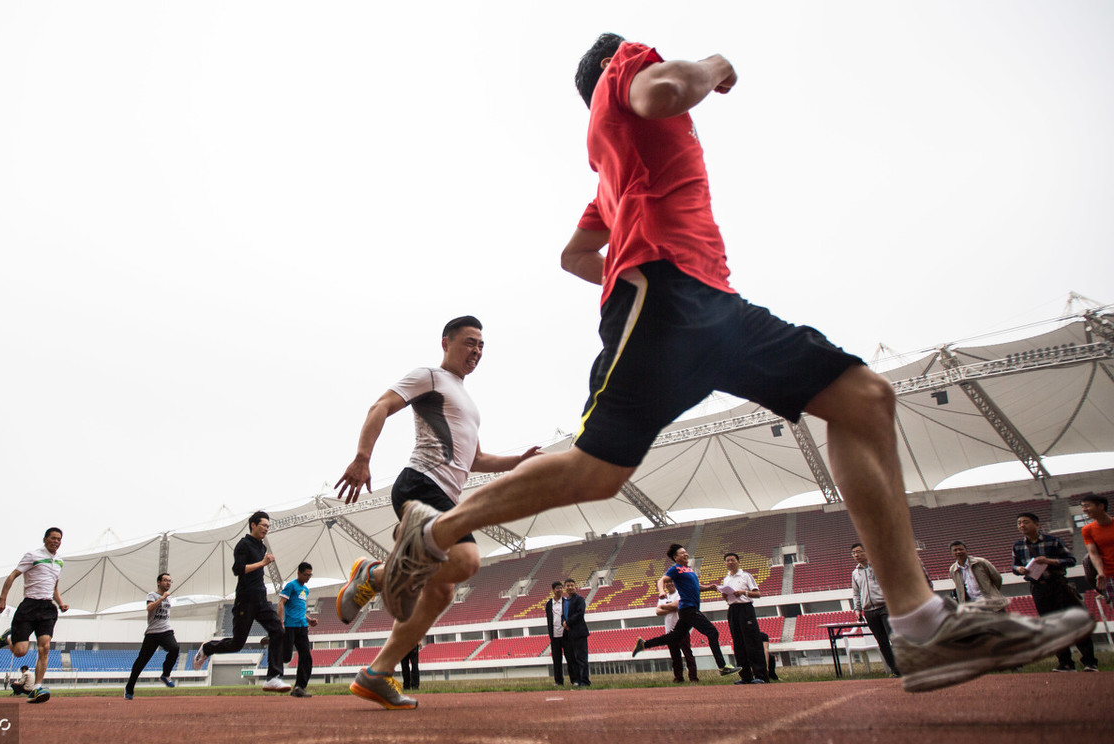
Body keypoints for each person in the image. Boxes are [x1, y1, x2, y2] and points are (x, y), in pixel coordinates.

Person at [378, 32, 1095, 695]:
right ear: (614, 70)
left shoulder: (611, 174)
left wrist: (627, 267)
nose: (648, 68)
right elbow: (665, 90)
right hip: (673, 294)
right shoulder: (625, 71)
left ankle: (920, 626)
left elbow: (573, 257)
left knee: (846, 404)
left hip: (698, 303)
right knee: (827, 406)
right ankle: (432, 533)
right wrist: (716, 66)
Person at [332, 316, 541, 710]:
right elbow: (381, 405)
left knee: (441, 590)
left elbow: (475, 459)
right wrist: (362, 456)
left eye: (481, 346)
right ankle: (374, 575)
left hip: (444, 494)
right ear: (446, 342)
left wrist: (518, 461)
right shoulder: (429, 376)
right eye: (469, 343)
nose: (476, 351)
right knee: (466, 560)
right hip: (420, 483)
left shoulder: (469, 403)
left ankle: (376, 674)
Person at [191, 511, 291, 692]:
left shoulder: (261, 547)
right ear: (253, 525)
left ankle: (273, 678)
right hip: (245, 600)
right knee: (237, 644)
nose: (266, 529)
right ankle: (207, 648)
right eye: (263, 525)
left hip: (261, 598)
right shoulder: (243, 545)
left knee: (277, 629)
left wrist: (262, 562)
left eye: (268, 526)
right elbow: (238, 569)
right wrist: (262, 563)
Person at [632, 544, 739, 678]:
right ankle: (723, 666)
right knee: (712, 632)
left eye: (686, 552)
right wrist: (661, 591)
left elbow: (695, 587)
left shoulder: (688, 569)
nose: (686, 554)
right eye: (682, 553)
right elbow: (662, 580)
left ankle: (644, 644)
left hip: (689, 609)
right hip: (688, 608)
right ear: (676, 557)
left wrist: (708, 588)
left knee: (674, 637)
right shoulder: (675, 569)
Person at [0, 527, 69, 704]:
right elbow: (13, 575)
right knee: (20, 652)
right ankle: (7, 639)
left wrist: (60, 602)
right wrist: (2, 598)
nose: (56, 542)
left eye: (59, 539)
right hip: (29, 606)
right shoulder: (32, 556)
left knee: (45, 647)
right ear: (45, 539)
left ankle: (37, 687)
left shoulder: (60, 562)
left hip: (48, 607)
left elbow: (54, 587)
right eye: (53, 538)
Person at [1011, 512, 1098, 672]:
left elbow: (1071, 560)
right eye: (1019, 523)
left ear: (1037, 524)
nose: (1022, 525)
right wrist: (1019, 569)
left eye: (1025, 522)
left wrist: (1049, 561)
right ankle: (1065, 663)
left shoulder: (1053, 541)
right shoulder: (1018, 545)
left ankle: (1089, 661)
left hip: (1059, 585)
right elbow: (1014, 566)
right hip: (1038, 588)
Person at [124, 572, 181, 700]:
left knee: (175, 648)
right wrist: (161, 598)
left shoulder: (169, 598)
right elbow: (149, 608)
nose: (168, 583)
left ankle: (165, 675)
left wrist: (165, 597)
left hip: (166, 630)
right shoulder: (152, 595)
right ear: (159, 582)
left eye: (170, 581)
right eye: (165, 580)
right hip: (152, 633)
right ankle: (129, 689)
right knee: (141, 662)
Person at [850, 543, 900, 677]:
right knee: (882, 642)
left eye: (859, 551)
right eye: (854, 553)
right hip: (869, 611)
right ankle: (895, 670)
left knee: (894, 638)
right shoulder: (855, 573)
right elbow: (856, 593)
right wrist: (857, 609)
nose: (856, 555)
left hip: (885, 607)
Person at [721, 553, 769, 684]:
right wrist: (725, 596)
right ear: (725, 563)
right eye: (727, 561)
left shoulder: (746, 576)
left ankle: (761, 676)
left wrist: (743, 592)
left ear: (738, 561)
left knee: (752, 642)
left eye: (732, 560)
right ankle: (745, 676)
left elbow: (757, 594)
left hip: (746, 609)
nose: (730, 562)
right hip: (732, 610)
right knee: (738, 644)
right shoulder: (726, 579)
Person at [278, 562, 317, 698]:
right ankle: (274, 642)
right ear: (299, 573)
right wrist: (280, 622)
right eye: (305, 575)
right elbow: (281, 603)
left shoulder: (305, 590)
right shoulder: (291, 586)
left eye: (310, 575)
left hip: (302, 626)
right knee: (286, 657)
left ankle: (299, 687)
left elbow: (299, 608)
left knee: (306, 656)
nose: (307, 577)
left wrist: (309, 620)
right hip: (290, 626)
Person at [655, 576, 698, 683]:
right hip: (669, 631)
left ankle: (693, 677)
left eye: (671, 581)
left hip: (682, 628)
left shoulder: (680, 593)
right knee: (675, 656)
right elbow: (658, 612)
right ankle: (678, 677)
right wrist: (670, 607)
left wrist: (665, 607)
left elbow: (678, 606)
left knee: (688, 654)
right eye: (667, 582)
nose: (669, 584)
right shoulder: (663, 596)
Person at [947, 541, 1005, 608]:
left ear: (966, 550)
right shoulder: (953, 570)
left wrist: (992, 592)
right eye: (955, 550)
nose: (958, 552)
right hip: (972, 605)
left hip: (990, 603)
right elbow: (959, 587)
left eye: (961, 549)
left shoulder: (981, 562)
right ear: (951, 553)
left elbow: (997, 578)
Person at [1081, 494, 1113, 606]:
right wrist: (1101, 573)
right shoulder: (1087, 530)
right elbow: (1093, 553)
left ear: (1101, 506)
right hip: (1109, 575)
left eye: (1087, 506)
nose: (1084, 509)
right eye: (1083, 507)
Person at [562, 578, 591, 686]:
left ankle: (585, 681)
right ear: (565, 587)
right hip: (569, 633)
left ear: (575, 587)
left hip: (579, 632)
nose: (570, 587)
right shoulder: (565, 601)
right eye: (567, 585)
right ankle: (577, 680)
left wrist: (568, 623)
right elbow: (562, 615)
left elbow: (580, 613)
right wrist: (564, 623)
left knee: (581, 658)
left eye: (571, 585)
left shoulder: (579, 599)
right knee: (573, 658)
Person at [545, 581, 567, 685]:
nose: (559, 590)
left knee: (570, 658)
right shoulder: (549, 604)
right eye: (557, 588)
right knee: (557, 659)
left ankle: (574, 680)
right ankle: (558, 681)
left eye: (561, 588)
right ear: (553, 590)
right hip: (554, 635)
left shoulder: (566, 602)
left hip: (566, 634)